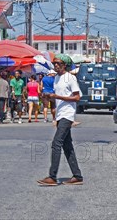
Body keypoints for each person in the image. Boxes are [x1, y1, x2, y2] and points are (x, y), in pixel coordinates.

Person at [37, 54, 83, 186]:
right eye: (54, 63)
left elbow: (77, 98)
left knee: (56, 143)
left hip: (67, 115)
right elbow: (57, 98)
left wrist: (57, 96)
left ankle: (52, 176)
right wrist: (48, 97)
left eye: (58, 63)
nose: (55, 65)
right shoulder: (56, 78)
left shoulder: (71, 78)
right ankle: (77, 176)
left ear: (65, 65)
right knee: (67, 146)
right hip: (60, 114)